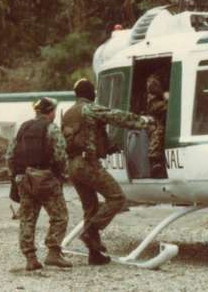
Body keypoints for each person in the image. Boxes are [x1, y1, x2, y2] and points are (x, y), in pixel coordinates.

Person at [62, 78, 154, 265]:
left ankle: (94, 254)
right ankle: (90, 231)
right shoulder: (90, 108)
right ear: (91, 94)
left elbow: (84, 135)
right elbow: (115, 116)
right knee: (117, 198)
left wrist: (108, 147)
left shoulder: (69, 113)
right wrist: (143, 121)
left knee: (90, 207)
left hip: (72, 165)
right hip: (87, 163)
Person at [7, 97, 71, 271]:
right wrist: (63, 175)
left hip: (24, 179)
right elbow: (61, 155)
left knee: (27, 218)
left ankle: (30, 258)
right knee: (60, 216)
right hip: (45, 178)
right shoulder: (52, 129)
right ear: (51, 112)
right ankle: (53, 253)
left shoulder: (23, 127)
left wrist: (15, 177)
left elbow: (10, 156)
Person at [146, 73, 168, 178]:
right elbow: (165, 107)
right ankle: (155, 163)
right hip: (155, 124)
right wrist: (166, 96)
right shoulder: (153, 101)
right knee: (158, 130)